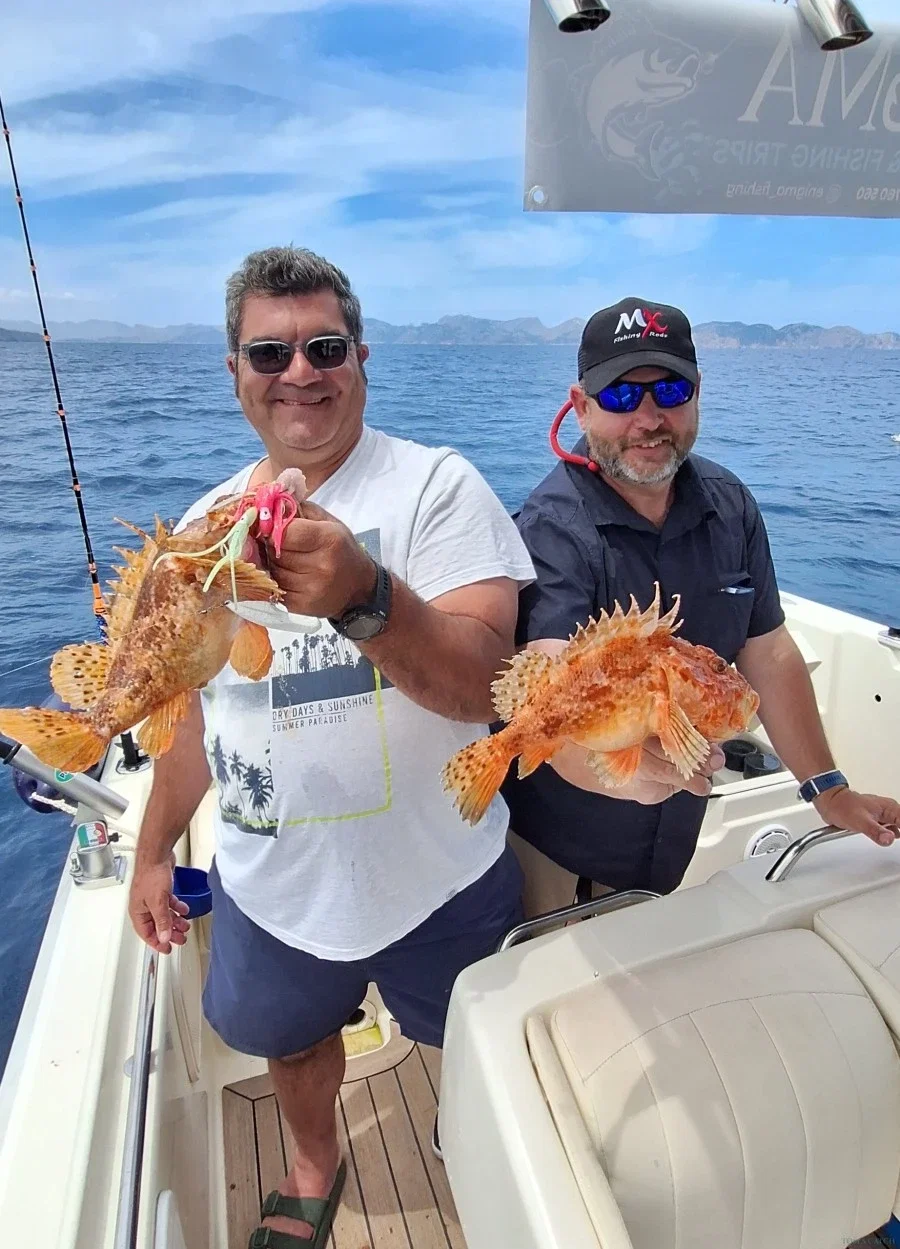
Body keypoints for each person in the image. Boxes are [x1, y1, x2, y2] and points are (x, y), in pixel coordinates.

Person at [127, 246, 538, 1246]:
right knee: (294, 1042)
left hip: (442, 874)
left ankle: (474, 1147)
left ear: (361, 357)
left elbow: (489, 685)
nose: (299, 372)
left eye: (325, 347)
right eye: (270, 352)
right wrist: (151, 850)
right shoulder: (200, 530)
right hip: (274, 887)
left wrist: (365, 594)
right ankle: (315, 1161)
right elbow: (193, 719)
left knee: (476, 1039)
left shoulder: (437, 488)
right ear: (235, 370)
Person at [502, 296, 900, 909]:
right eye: (620, 396)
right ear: (581, 406)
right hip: (558, 849)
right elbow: (550, 687)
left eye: (670, 390)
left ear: (697, 394)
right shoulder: (551, 526)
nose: (649, 418)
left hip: (673, 846)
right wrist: (627, 773)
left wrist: (828, 791)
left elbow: (769, 652)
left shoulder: (730, 504)